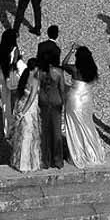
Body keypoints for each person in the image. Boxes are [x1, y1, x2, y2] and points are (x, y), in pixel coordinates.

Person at [61, 44, 105, 167]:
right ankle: (91, 152)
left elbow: (63, 64)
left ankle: (77, 153)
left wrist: (71, 50)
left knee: (74, 125)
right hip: (87, 99)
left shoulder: (75, 69)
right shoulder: (93, 69)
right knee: (87, 124)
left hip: (75, 99)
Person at [36, 33, 65, 169]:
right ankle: (58, 160)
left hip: (43, 101)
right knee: (56, 131)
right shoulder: (58, 72)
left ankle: (45, 160)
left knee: (45, 131)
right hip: (56, 101)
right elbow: (62, 89)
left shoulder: (39, 72)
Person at [10, 61, 42, 172]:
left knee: (21, 135)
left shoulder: (24, 77)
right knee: (28, 136)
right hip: (29, 110)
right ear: (36, 68)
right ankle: (26, 164)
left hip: (21, 105)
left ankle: (18, 161)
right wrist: (24, 112)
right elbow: (32, 98)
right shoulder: (35, 81)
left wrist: (19, 111)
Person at [0, 29, 23, 140]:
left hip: (2, 74)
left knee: (5, 102)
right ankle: (12, 129)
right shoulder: (14, 50)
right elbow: (14, 64)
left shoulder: (1, 49)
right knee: (12, 103)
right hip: (10, 77)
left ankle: (6, 130)